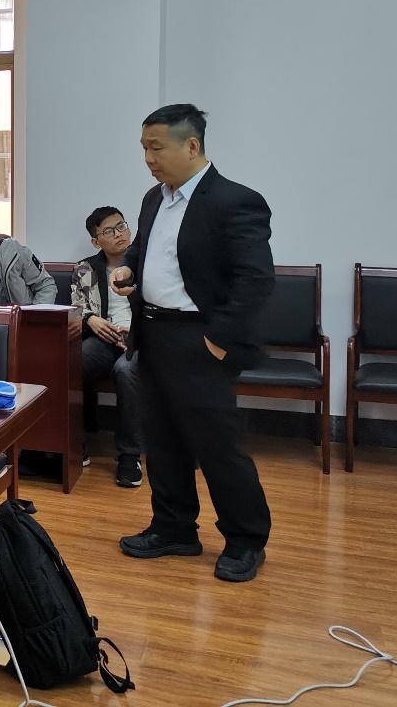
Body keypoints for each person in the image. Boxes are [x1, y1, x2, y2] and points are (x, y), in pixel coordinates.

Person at [111, 104, 274, 583]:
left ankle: (245, 539)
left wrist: (217, 342)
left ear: (192, 145)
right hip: (153, 332)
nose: (148, 158)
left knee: (216, 445)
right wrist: (128, 267)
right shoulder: (153, 199)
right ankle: (174, 528)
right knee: (161, 440)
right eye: (144, 148)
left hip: (200, 338)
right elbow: (143, 248)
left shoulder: (235, 201)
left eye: (156, 148)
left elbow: (255, 281)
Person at [72, 206, 143, 488]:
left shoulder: (145, 263)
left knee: (126, 372)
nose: (119, 234)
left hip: (140, 339)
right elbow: (77, 307)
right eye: (109, 231)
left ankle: (130, 455)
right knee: (73, 362)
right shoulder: (86, 268)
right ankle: (73, 443)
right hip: (104, 338)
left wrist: (135, 332)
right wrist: (91, 320)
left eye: (121, 226)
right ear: (95, 241)